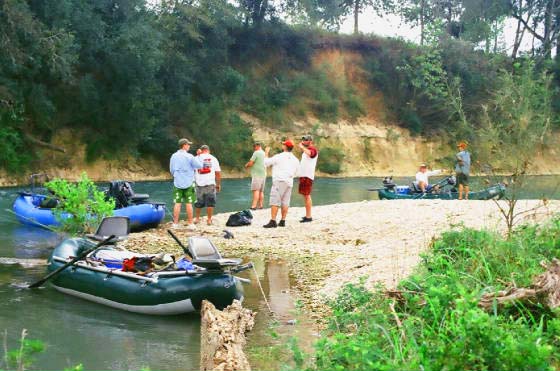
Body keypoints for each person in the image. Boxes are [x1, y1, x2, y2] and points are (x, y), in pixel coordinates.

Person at [262, 139, 300, 228]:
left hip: (279, 181)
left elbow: (266, 163)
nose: (282, 145)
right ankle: (282, 221)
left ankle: (273, 221)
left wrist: (266, 153)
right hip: (289, 182)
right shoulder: (295, 159)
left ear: (285, 147)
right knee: (285, 202)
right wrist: (290, 175)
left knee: (275, 200)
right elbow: (298, 173)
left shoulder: (279, 156)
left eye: (283, 144)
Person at [169, 138, 202, 229]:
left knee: (177, 203)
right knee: (188, 203)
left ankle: (175, 224)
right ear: (184, 145)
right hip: (189, 182)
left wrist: (177, 176)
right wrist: (198, 156)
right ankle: (191, 224)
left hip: (177, 182)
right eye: (188, 145)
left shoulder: (173, 156)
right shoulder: (190, 156)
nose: (189, 146)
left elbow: (171, 170)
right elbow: (199, 165)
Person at [194, 145, 221, 225]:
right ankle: (209, 220)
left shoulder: (196, 158)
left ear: (201, 150)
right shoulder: (213, 158)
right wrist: (218, 184)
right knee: (210, 202)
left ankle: (197, 218)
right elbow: (218, 173)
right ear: (208, 150)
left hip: (199, 183)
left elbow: (192, 170)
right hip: (210, 183)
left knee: (198, 202)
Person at [298, 134, 318, 223]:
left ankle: (309, 216)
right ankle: (307, 215)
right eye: (303, 140)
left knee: (307, 195)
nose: (303, 141)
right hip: (304, 175)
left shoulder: (312, 149)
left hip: (307, 176)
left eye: (305, 140)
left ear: (310, 141)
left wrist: (302, 147)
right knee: (305, 195)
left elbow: (311, 154)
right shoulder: (306, 150)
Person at [245, 142, 266, 210]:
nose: (254, 148)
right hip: (263, 174)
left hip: (257, 174)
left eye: (254, 147)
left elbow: (251, 163)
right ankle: (260, 205)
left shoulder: (256, 153)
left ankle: (253, 206)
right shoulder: (264, 153)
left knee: (256, 190)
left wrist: (246, 165)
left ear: (257, 146)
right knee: (261, 191)